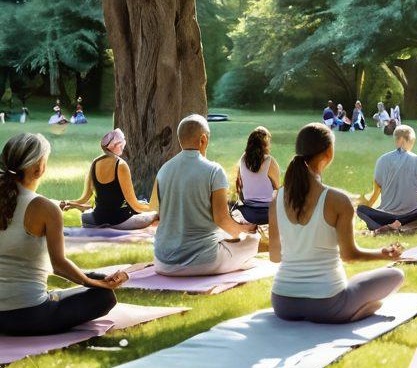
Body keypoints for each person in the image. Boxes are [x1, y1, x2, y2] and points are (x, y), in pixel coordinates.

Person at [269, 123, 404, 323]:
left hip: (283, 302)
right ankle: (358, 310)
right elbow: (349, 255)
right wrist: (381, 254)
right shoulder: (338, 200)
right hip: (327, 304)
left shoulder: (277, 198)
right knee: (396, 275)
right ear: (329, 152)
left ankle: (357, 307)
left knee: (357, 284)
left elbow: (274, 256)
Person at [0, 133, 127, 335]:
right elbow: (58, 266)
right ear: (39, 168)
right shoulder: (46, 209)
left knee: (98, 278)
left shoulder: (29, 203)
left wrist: (95, 279)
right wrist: (95, 283)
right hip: (31, 316)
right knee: (104, 296)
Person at [152, 115, 261, 276]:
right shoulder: (214, 171)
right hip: (203, 262)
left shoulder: (163, 170)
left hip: (163, 263)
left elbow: (159, 216)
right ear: (203, 140)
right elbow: (222, 220)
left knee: (225, 236)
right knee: (252, 241)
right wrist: (246, 230)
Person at [59, 129, 157, 230]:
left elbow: (84, 198)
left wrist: (69, 202)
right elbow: (135, 205)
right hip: (119, 221)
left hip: (96, 219)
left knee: (143, 204)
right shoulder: (121, 165)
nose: (123, 147)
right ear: (117, 145)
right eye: (122, 144)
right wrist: (154, 208)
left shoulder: (94, 163)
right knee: (154, 213)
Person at [357, 125, 417, 233]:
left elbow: (376, 193)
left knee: (361, 210)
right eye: (412, 142)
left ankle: (389, 225)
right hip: (411, 215)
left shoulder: (381, 160)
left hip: (385, 215)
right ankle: (404, 227)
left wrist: (367, 209)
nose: (412, 145)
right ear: (403, 140)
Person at [234, 126, 280, 226]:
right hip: (267, 214)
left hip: (248, 213)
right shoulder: (270, 161)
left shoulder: (242, 159)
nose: (270, 146)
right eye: (269, 143)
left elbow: (239, 187)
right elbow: (277, 189)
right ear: (264, 145)